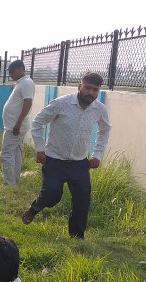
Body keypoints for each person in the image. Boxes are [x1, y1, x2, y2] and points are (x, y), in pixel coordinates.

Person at [21, 72, 111, 239]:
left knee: (82, 199)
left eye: (95, 89)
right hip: (54, 159)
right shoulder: (61, 103)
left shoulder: (99, 109)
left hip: (79, 162)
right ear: (79, 87)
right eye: (87, 88)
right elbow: (38, 122)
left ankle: (76, 236)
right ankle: (35, 208)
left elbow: (105, 130)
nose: (90, 92)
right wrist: (40, 149)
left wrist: (97, 154)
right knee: (52, 195)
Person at [0, 60, 35, 186]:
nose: (10, 74)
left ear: (21, 69)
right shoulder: (22, 83)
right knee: (15, 152)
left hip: (15, 125)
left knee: (7, 153)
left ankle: (9, 183)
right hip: (14, 124)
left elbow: (28, 103)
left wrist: (18, 123)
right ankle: (14, 180)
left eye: (12, 71)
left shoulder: (26, 83)